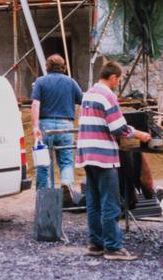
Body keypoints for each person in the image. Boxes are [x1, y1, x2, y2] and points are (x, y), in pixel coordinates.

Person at [76, 61, 150, 261]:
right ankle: (113, 247)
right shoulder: (108, 95)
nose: (118, 83)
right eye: (119, 79)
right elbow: (119, 127)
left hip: (87, 154)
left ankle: (96, 243)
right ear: (113, 77)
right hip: (104, 155)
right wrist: (140, 134)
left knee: (94, 201)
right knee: (111, 202)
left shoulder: (89, 93)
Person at [30, 54, 84, 204]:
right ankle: (66, 183)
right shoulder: (71, 82)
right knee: (66, 162)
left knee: (43, 163)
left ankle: (44, 197)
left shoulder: (40, 82)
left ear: (47, 66)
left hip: (45, 126)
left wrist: (35, 127)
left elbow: (35, 104)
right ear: (63, 67)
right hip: (66, 126)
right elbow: (82, 101)